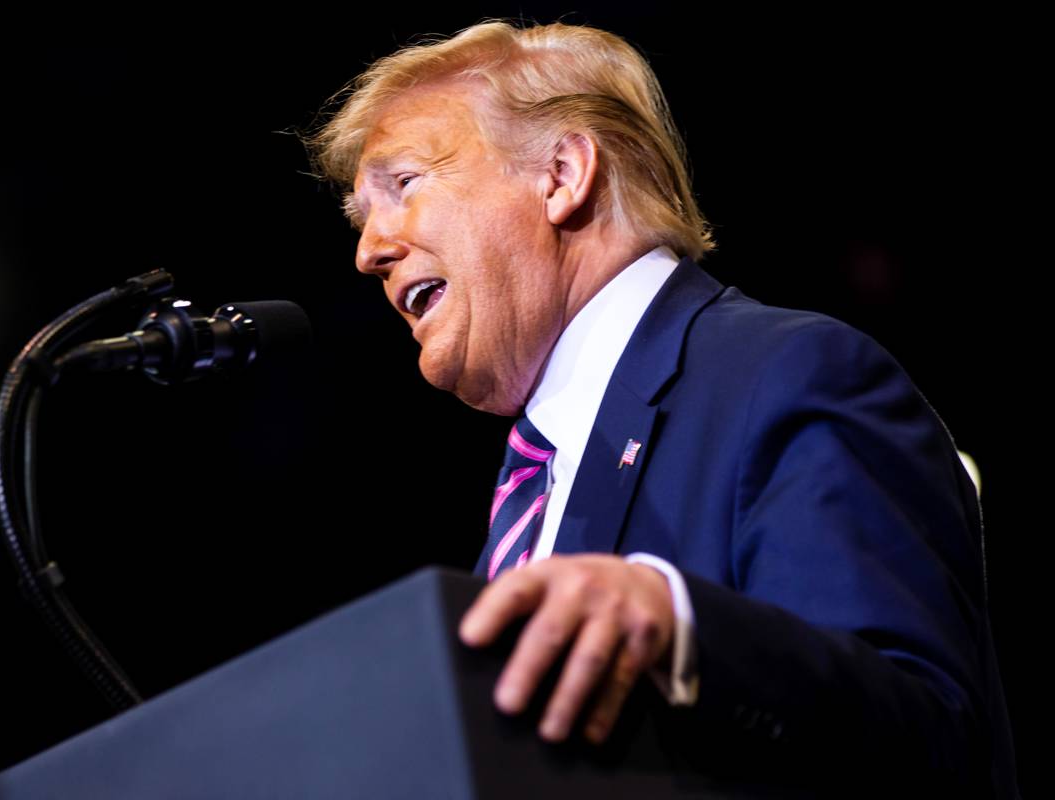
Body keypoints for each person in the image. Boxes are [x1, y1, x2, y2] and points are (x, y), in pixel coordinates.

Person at [308, 20, 1016, 796]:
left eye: (404, 184)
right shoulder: (534, 481)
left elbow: (932, 738)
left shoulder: (784, 374)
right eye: (360, 217)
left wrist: (683, 627)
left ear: (562, 174)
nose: (368, 249)